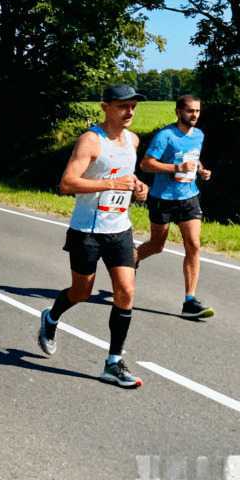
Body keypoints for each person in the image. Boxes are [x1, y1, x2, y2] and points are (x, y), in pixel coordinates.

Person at [37, 84, 150, 388]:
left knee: (126, 291)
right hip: (87, 230)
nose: (129, 112)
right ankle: (51, 316)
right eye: (122, 106)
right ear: (106, 107)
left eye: (133, 107)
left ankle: (113, 362)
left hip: (120, 230)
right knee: (82, 292)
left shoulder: (133, 140)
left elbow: (130, 180)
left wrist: (140, 189)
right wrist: (111, 184)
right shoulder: (90, 141)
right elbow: (67, 183)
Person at [135, 95, 215, 319]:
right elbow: (146, 164)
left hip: (189, 197)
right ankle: (132, 258)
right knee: (157, 245)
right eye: (190, 111)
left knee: (194, 245)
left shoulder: (198, 135)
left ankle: (190, 300)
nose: (195, 115)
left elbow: (194, 158)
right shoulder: (166, 136)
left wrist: (201, 170)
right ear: (178, 111)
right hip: (163, 198)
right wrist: (175, 167)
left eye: (198, 111)